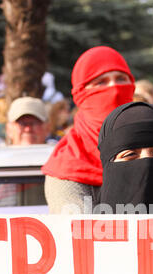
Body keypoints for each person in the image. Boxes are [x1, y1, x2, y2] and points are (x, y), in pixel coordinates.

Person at [42, 46, 135, 214]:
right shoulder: (68, 168)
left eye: (121, 79)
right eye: (101, 82)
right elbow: (80, 235)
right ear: (80, 93)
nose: (114, 89)